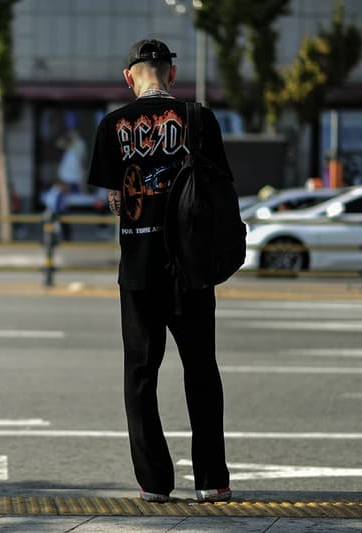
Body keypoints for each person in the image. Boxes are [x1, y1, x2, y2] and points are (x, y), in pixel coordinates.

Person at [87, 39, 232, 503]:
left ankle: (154, 482)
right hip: (192, 267)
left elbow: (115, 201)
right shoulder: (199, 118)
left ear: (130, 77)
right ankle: (212, 481)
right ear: (171, 73)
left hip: (139, 266)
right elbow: (221, 189)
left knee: (141, 375)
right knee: (202, 371)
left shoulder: (112, 126)